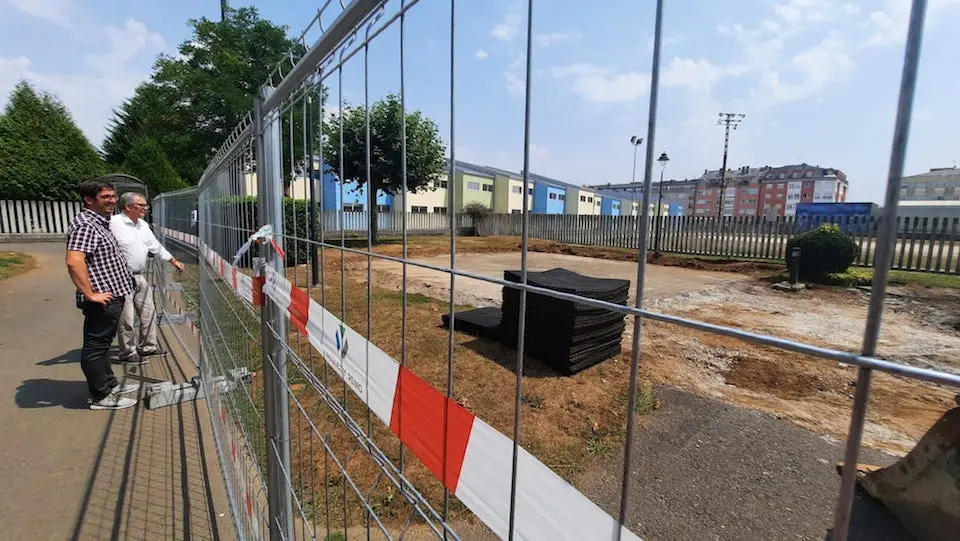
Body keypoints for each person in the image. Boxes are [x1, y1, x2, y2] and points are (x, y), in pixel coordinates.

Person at [66, 180, 139, 410]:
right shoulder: (86, 224)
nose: (112, 200)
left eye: (113, 196)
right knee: (96, 347)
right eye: (106, 196)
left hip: (112, 295)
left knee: (104, 345)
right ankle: (100, 396)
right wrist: (90, 294)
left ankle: (109, 385)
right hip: (103, 299)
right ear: (89, 199)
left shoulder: (100, 222)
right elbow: (74, 261)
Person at [110, 192, 185, 365]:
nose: (145, 208)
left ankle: (148, 347)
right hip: (120, 278)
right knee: (126, 317)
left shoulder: (142, 225)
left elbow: (155, 246)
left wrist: (173, 260)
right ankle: (128, 352)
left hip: (139, 277)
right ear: (128, 207)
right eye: (141, 205)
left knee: (148, 312)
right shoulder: (113, 223)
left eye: (145, 205)